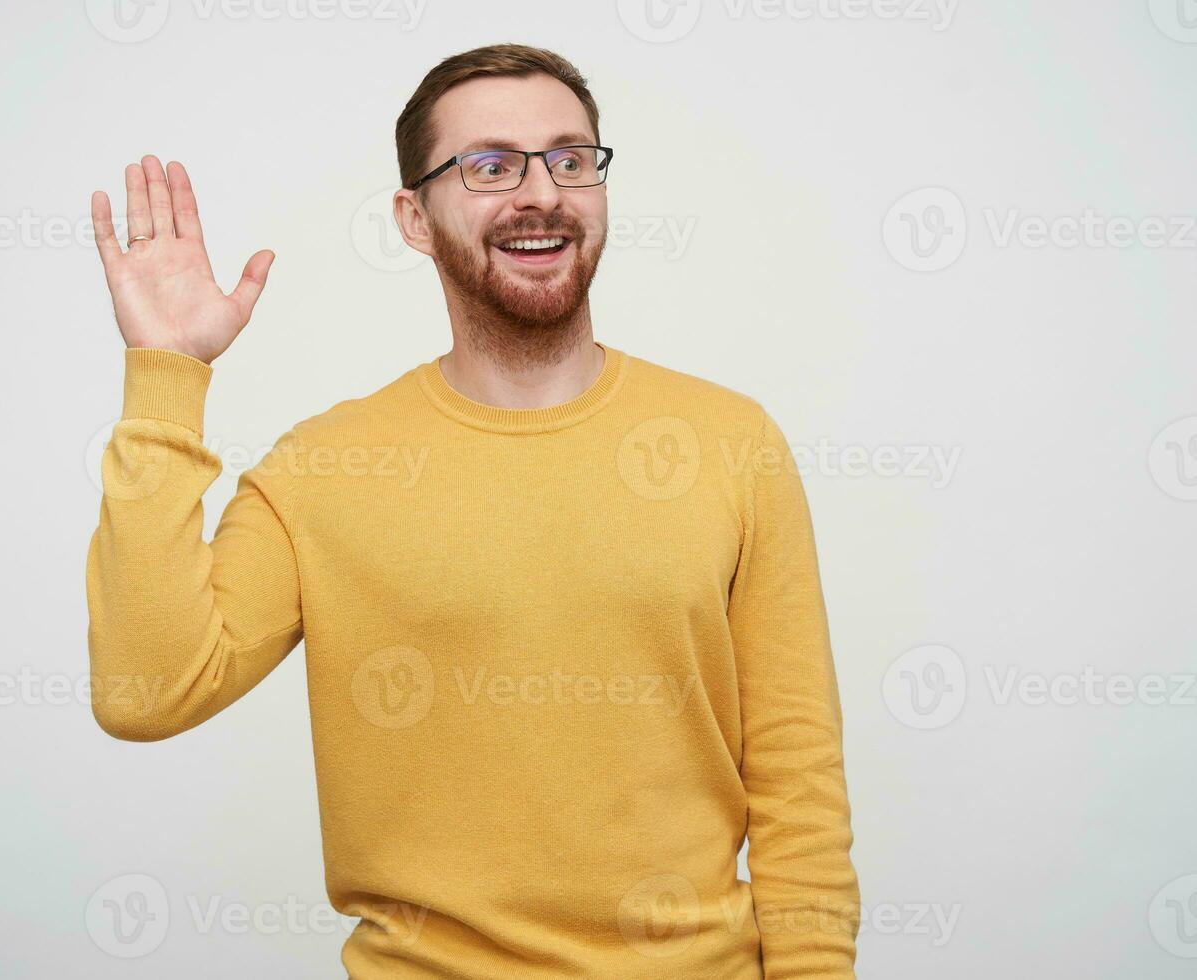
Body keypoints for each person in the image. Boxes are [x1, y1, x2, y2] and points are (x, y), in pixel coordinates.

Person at [86, 42, 860, 979]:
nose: (542, 193)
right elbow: (146, 692)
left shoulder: (732, 443)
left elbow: (797, 783)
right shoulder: (328, 470)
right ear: (415, 217)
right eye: (491, 167)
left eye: (570, 160)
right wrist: (168, 374)